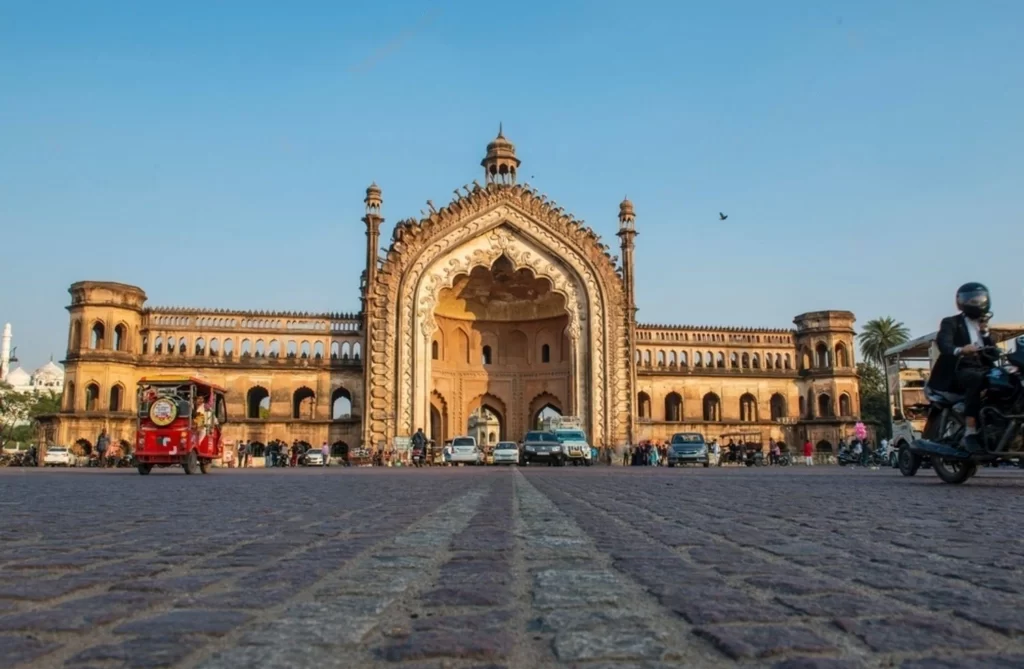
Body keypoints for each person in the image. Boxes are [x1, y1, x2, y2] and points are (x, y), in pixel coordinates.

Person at [929, 282, 995, 452]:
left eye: (979, 299)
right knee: (976, 380)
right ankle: (970, 430)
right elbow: (944, 344)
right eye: (972, 299)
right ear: (962, 302)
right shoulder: (951, 322)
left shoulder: (984, 326)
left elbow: (993, 353)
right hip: (960, 368)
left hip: (982, 366)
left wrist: (985, 333)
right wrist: (960, 350)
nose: (976, 302)